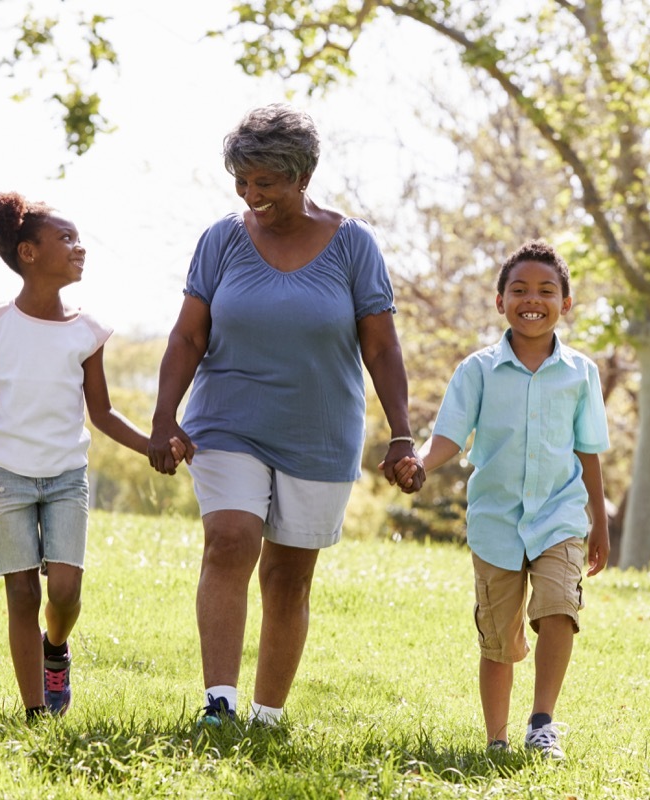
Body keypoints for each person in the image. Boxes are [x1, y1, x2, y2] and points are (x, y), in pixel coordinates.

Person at [147, 104, 421, 728]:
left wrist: (401, 434)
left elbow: (380, 346)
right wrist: (165, 417)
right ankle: (219, 705)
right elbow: (188, 337)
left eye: (263, 181)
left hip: (319, 431)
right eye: (242, 182)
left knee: (289, 576)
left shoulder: (355, 245)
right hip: (228, 420)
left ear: (301, 175)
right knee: (230, 539)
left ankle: (267, 717)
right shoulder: (222, 239)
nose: (250, 194)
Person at [0, 192, 189, 722]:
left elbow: (100, 413)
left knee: (64, 589)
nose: (80, 248)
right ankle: (36, 711)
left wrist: (152, 443)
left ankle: (56, 648)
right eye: (67, 239)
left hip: (64, 478)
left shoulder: (88, 331)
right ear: (29, 253)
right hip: (7, 478)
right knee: (19, 595)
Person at [387, 240, 610, 759]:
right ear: (500, 301)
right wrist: (419, 462)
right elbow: (448, 437)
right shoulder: (478, 370)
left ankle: (542, 722)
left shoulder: (581, 374)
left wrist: (599, 523)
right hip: (496, 522)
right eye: (519, 290)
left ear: (566, 304)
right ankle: (497, 741)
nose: (532, 300)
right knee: (499, 639)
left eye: (546, 291)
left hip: (560, 515)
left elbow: (590, 451)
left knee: (559, 609)